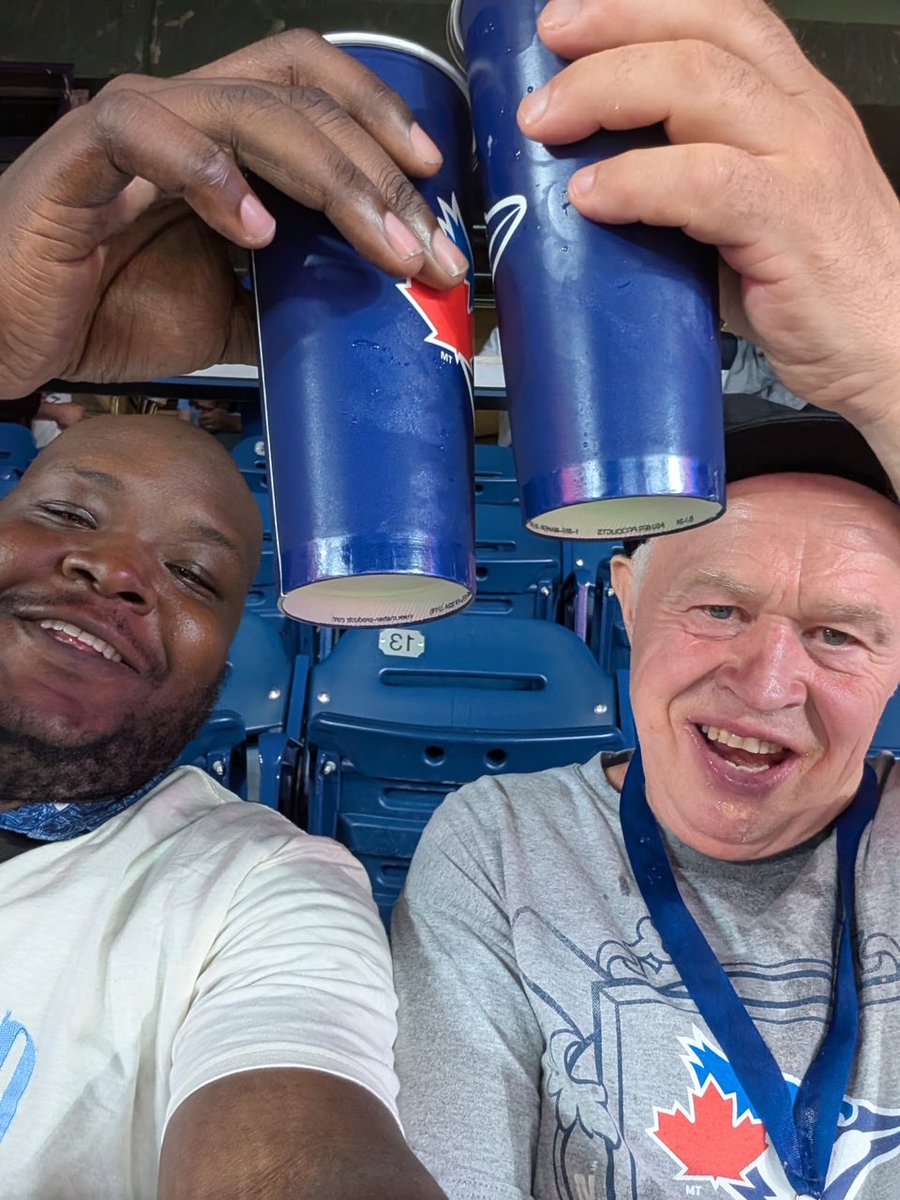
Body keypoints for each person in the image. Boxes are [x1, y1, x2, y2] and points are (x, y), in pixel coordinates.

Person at [391, 1, 900, 1197]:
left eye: (840, 635)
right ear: (624, 591)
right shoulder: (503, 846)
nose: (769, 682)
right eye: (718, 610)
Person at [0, 29, 461, 1200]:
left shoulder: (256, 895)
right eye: (67, 511)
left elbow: (303, 1139)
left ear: (230, 660)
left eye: (197, 576)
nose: (116, 572)